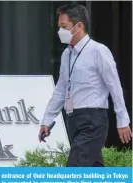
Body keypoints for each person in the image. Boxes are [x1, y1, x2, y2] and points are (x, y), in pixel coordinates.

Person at [38, 4, 132, 167]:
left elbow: (114, 86)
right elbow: (61, 89)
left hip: (92, 120)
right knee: (93, 170)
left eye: (64, 26)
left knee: (75, 168)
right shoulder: (66, 54)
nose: (60, 31)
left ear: (79, 26)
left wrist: (122, 120)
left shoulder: (98, 51)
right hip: (73, 119)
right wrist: (47, 120)